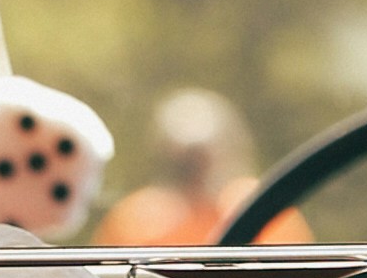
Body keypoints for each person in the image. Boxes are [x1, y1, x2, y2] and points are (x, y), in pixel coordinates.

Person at [93, 86, 257, 248]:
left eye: (203, 157)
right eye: (188, 160)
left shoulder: (253, 204)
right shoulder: (135, 219)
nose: (196, 167)